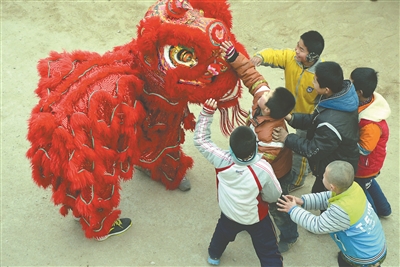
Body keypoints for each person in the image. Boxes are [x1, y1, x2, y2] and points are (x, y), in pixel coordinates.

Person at [221, 40, 298, 253]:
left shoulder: (271, 136)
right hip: (263, 166)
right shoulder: (265, 102)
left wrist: (236, 168)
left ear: (267, 112)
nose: (262, 93)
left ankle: (290, 235)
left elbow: (260, 165)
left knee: (278, 207)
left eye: (265, 97)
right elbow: (252, 76)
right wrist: (234, 56)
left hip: (276, 174)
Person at [193, 98, 283, 266]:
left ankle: (213, 256)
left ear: (231, 148)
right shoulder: (263, 168)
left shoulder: (222, 160)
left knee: (222, 235)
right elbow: (274, 194)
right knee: (269, 250)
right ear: (255, 147)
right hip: (256, 218)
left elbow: (201, 141)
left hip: (228, 213)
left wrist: (206, 113)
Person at [251, 30, 325, 192]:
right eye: (297, 46)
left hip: (307, 119)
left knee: (300, 151)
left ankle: (297, 180)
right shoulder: (292, 58)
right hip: (291, 111)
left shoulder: (320, 76)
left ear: (313, 56)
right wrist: (260, 57)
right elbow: (275, 55)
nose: (296, 50)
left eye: (301, 49)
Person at [277, 160, 387, 267]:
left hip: (364, 258)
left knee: (343, 262)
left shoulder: (342, 211)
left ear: (332, 186)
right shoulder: (353, 187)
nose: (323, 175)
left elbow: (317, 225)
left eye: (324, 175)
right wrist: (303, 201)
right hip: (375, 246)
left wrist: (293, 210)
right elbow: (328, 197)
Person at [272, 61, 359, 195]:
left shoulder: (331, 122)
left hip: (334, 171)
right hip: (334, 157)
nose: (312, 82)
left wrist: (287, 138)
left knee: (323, 200)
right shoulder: (340, 99)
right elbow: (316, 120)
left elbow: (313, 150)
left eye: (315, 80)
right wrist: (292, 118)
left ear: (326, 89)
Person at [351, 67, 392, 217]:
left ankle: (372, 216)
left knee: (361, 189)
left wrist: (346, 141)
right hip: (371, 165)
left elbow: (364, 149)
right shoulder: (370, 101)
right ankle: (384, 209)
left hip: (365, 165)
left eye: (351, 84)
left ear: (359, 92)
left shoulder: (370, 124)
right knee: (369, 183)